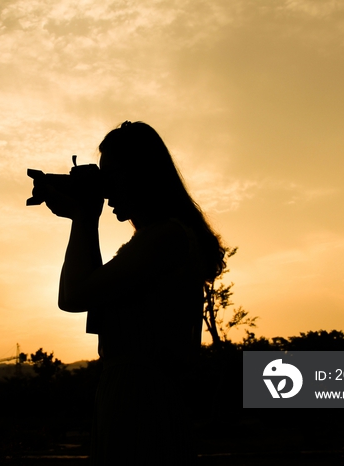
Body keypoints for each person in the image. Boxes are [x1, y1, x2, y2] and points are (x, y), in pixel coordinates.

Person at [33, 121, 225, 465]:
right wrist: (84, 215)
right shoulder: (159, 239)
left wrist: (83, 217)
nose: (106, 191)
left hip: (141, 403)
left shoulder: (166, 238)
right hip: (135, 398)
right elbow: (88, 292)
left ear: (141, 176)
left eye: (113, 176)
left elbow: (74, 295)